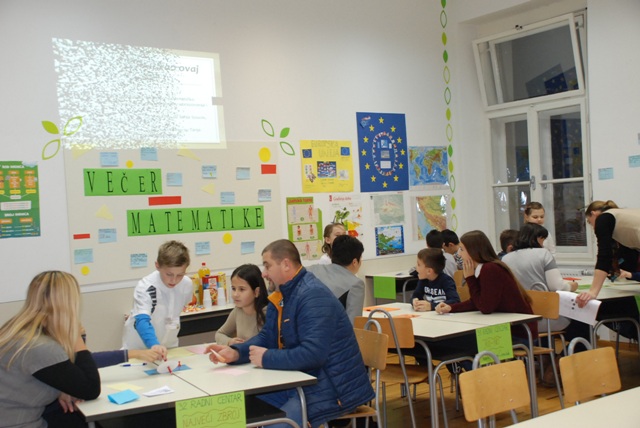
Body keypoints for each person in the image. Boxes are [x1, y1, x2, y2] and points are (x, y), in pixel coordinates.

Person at [205, 239, 374, 428]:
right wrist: (237, 352)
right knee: (236, 409)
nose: (264, 273)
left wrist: (266, 357)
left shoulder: (313, 296)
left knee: (275, 425)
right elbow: (267, 336)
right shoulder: (283, 295)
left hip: (331, 388)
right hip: (299, 381)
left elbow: (313, 354)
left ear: (285, 264)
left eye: (267, 266)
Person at [0, 271, 101, 428]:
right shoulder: (41, 346)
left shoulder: (15, 331)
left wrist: (62, 389)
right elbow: (91, 388)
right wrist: (76, 336)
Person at [435, 230, 538, 344]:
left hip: (519, 333)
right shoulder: (483, 268)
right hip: (506, 328)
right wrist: (451, 308)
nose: (459, 254)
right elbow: (477, 302)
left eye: (462, 249)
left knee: (453, 342)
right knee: (453, 341)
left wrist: (470, 278)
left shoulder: (490, 269)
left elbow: (485, 307)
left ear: (473, 251)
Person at [122, 240, 192, 358]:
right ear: (157, 266)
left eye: (180, 275)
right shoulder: (146, 286)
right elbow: (142, 321)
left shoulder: (187, 284)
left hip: (169, 346)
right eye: (169, 274)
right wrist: (154, 344)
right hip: (140, 348)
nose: (174, 280)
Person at [503, 223, 578, 331]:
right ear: (537, 238)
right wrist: (572, 286)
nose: (543, 243)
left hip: (519, 320)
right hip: (546, 318)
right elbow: (557, 287)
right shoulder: (544, 254)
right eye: (543, 239)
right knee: (581, 316)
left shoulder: (506, 259)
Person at [577, 200, 640, 306]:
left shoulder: (603, 218)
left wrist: (593, 292)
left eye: (589, 222)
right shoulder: (622, 218)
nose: (593, 227)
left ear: (593, 214)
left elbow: (604, 256)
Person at [307, 235, 365, 324]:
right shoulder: (356, 284)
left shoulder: (312, 269)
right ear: (354, 262)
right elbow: (353, 323)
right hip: (329, 330)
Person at [215, 264, 269, 346]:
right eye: (233, 288)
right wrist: (229, 341)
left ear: (256, 292)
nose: (235, 294)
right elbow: (219, 334)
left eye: (242, 289)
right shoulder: (237, 311)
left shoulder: (268, 312)